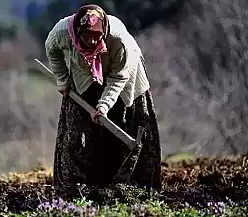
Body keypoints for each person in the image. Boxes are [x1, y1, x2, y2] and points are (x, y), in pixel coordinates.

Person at [44, 4, 162, 198]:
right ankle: (75, 188)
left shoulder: (120, 42)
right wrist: (63, 79)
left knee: (125, 121)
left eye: (96, 36)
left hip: (124, 77)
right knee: (76, 132)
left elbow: (118, 79)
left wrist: (104, 105)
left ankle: (132, 185)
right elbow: (52, 49)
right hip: (83, 75)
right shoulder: (62, 32)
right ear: (77, 32)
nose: (91, 41)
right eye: (86, 36)